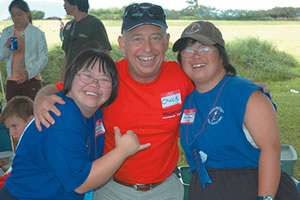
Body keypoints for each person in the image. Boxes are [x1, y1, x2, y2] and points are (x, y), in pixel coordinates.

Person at [33, 3, 271, 200]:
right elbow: (59, 87)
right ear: (122, 43)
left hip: (166, 189)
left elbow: (219, 82)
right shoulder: (105, 78)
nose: (147, 48)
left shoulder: (182, 75)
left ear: (167, 41)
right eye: (137, 38)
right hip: (110, 189)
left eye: (155, 37)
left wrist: (253, 87)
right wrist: (41, 98)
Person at [173, 21, 300, 200]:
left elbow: (271, 149)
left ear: (222, 56)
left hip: (250, 189)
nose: (195, 56)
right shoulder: (189, 100)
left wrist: (266, 198)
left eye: (204, 48)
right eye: (188, 50)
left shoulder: (247, 94)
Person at [0, 49, 150, 199]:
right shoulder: (61, 116)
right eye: (87, 75)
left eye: (104, 79)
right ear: (70, 79)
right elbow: (81, 183)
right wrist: (122, 151)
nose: (94, 84)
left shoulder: (93, 110)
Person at [0, 0, 48, 102]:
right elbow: (1, 56)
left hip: (32, 81)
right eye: (13, 15)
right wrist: (6, 46)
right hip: (12, 82)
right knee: (13, 116)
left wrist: (28, 73)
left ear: (27, 13)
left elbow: (43, 59)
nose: (16, 18)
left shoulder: (38, 33)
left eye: (19, 14)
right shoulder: (6, 32)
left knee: (33, 114)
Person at [61, 0, 112, 81]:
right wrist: (63, 80)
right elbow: (66, 55)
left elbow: (105, 52)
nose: (63, 6)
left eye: (65, 2)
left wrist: (105, 77)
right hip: (70, 78)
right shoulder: (68, 26)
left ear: (74, 3)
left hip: (88, 78)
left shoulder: (94, 23)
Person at [0, 95, 34, 189]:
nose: (11, 133)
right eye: (9, 129)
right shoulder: (24, 145)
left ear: (30, 121)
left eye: (14, 126)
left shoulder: (38, 146)